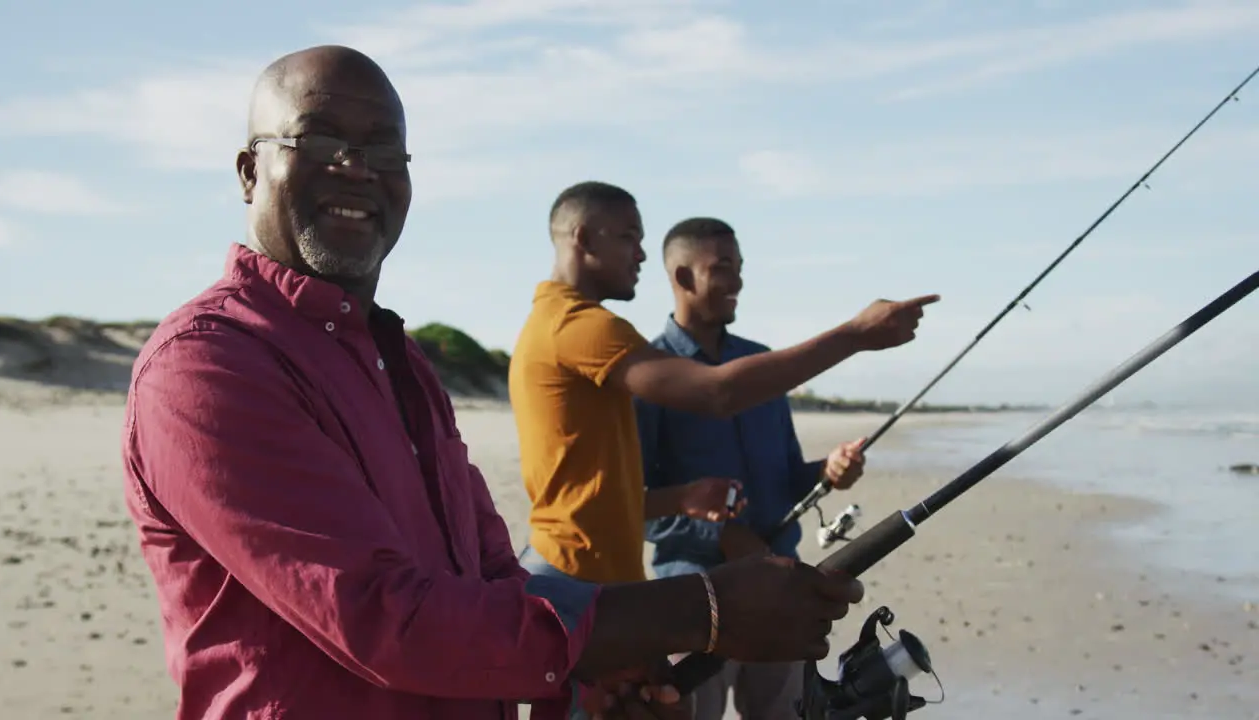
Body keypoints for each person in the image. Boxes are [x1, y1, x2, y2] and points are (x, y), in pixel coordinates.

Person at [119, 45, 868, 720]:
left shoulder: (398, 360)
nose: (356, 166)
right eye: (318, 139)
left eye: (384, 148)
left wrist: (590, 676)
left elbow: (490, 580)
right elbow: (386, 621)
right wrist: (702, 610)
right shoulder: (209, 366)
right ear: (250, 171)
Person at [508, 181, 938, 592]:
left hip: (611, 582)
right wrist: (855, 335)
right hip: (581, 580)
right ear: (582, 238)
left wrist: (686, 496)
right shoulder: (578, 327)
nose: (640, 255)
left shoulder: (569, 327)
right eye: (628, 237)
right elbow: (718, 394)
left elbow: (610, 494)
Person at [637, 217, 877, 720]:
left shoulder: (762, 363)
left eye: (740, 267)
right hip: (693, 597)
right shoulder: (649, 370)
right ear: (683, 277)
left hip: (782, 588)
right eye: (723, 267)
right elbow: (631, 505)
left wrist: (828, 472)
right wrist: (720, 541)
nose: (739, 281)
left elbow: (789, 474)